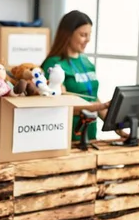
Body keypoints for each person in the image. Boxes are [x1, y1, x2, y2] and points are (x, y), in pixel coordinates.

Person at [41, 10, 126, 142]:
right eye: (83, 35)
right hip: (66, 138)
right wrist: (101, 106)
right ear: (68, 35)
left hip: (89, 136)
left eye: (89, 35)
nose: (88, 40)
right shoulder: (53, 65)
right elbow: (59, 106)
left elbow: (94, 98)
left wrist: (117, 127)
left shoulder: (87, 62)